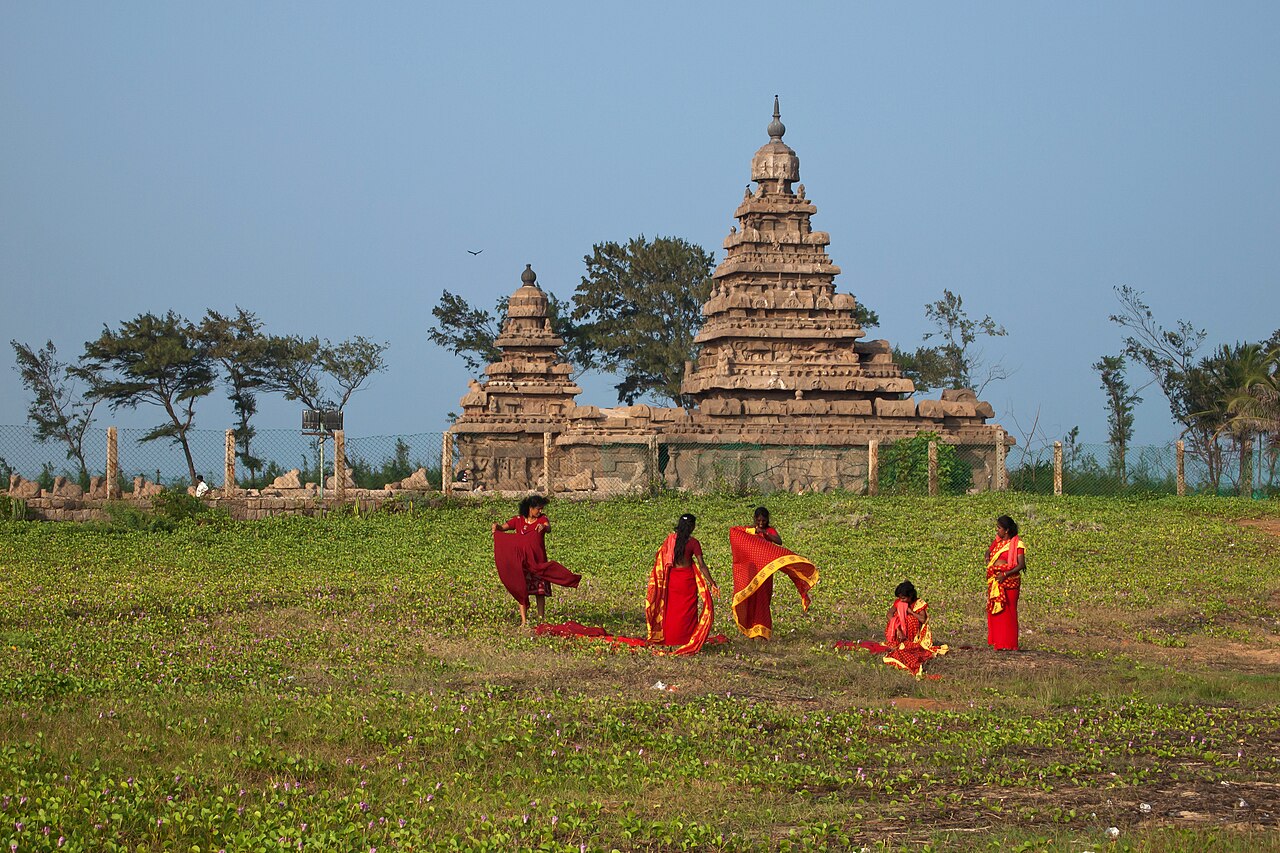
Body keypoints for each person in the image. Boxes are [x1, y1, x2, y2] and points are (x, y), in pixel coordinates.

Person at [729, 506, 818, 639]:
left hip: (765, 573)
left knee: (763, 600)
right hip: (752, 573)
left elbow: (779, 541)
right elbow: (733, 531)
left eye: (763, 521)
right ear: (754, 519)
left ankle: (763, 631)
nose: (761, 523)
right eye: (758, 520)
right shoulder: (749, 531)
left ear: (767, 520)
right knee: (751, 598)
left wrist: (765, 533)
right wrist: (754, 530)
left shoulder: (769, 530)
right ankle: (751, 630)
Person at [493, 495, 578, 627]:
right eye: (538, 509)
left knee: (540, 592)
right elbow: (503, 528)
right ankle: (523, 621)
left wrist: (544, 527)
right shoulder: (518, 520)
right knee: (522, 590)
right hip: (522, 563)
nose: (540, 511)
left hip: (538, 561)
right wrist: (496, 527)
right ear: (530, 508)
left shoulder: (542, 519)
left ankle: (540, 620)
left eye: (541, 509)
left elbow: (547, 527)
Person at [645, 513, 720, 655]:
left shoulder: (670, 540)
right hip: (686, 580)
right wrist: (712, 582)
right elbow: (702, 565)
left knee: (671, 610)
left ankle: (670, 639)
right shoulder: (693, 543)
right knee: (687, 611)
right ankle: (686, 640)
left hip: (672, 579)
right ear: (692, 527)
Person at [882, 580, 948, 676]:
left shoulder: (919, 603)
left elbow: (922, 619)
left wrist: (910, 611)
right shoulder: (899, 602)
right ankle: (898, 640)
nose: (902, 600)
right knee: (895, 618)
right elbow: (889, 614)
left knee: (910, 619)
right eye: (900, 598)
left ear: (911, 596)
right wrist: (897, 628)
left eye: (904, 598)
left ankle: (907, 641)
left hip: (913, 634)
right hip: (899, 631)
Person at [986, 515, 1025, 650]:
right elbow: (988, 552)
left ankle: (1010, 644)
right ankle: (999, 643)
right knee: (997, 612)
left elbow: (1021, 565)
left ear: (1007, 530)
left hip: (1010, 582)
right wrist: (988, 558)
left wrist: (1005, 574)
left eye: (999, 528)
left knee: (1009, 612)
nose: (997, 531)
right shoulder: (998, 542)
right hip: (996, 581)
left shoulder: (1017, 544)